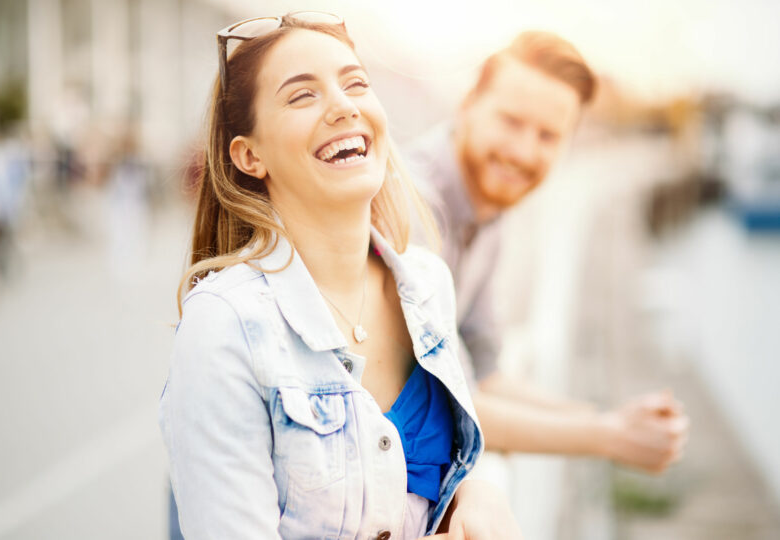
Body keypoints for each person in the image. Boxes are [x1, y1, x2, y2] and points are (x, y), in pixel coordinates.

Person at [158, 12, 522, 540]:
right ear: (249, 155)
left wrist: (484, 489)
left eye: (356, 84)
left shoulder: (426, 284)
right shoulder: (224, 326)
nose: (345, 106)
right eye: (302, 95)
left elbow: (471, 445)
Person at [407, 31, 688, 472]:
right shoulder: (413, 205)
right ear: (468, 103)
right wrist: (610, 437)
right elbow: (449, 405)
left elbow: (486, 373)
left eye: (548, 135)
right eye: (511, 122)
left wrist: (607, 420)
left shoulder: (486, 205)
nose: (523, 151)